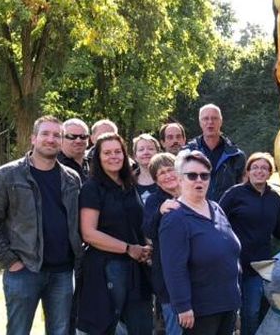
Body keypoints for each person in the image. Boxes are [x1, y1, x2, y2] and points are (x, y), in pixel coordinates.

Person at [0, 115, 83, 335]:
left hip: (63, 273)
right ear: (33, 139)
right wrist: (11, 261)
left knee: (61, 331)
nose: (51, 139)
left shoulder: (72, 178)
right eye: (45, 134)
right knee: (18, 331)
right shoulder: (7, 175)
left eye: (57, 135)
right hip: (24, 271)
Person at [218, 152, 280, 335]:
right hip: (233, 264)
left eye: (264, 168)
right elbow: (217, 222)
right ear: (248, 171)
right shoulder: (234, 194)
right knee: (236, 313)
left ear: (270, 173)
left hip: (261, 266)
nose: (259, 171)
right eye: (255, 167)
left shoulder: (275, 199)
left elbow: (279, 230)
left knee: (256, 312)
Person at [76, 133, 152, 334]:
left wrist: (146, 247)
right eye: (107, 152)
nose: (113, 156)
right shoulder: (92, 188)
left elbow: (138, 223)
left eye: (117, 151)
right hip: (106, 269)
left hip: (137, 269)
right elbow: (88, 233)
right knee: (107, 328)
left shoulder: (129, 185)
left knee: (141, 327)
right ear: (98, 158)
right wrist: (128, 248)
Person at [160, 150, 241, 335]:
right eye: (192, 175)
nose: (199, 180)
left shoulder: (216, 207)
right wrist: (182, 306)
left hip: (227, 302)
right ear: (180, 179)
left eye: (204, 175)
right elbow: (173, 268)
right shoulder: (175, 218)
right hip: (199, 310)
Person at [141, 152, 184, 335]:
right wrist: (160, 212)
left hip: (197, 276)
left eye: (170, 170)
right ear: (155, 180)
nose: (168, 176)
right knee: (176, 326)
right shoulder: (154, 201)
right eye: (161, 173)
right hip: (168, 277)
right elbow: (148, 230)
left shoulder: (193, 193)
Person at [184, 104, 246, 201]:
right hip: (195, 211)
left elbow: (243, 190)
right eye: (205, 119)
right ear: (200, 123)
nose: (210, 122)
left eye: (214, 118)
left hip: (227, 213)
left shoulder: (236, 156)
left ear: (221, 122)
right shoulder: (187, 154)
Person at [133, 133, 161, 205]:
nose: (146, 152)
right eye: (141, 149)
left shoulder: (167, 177)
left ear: (158, 153)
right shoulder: (129, 181)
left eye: (150, 149)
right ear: (135, 156)